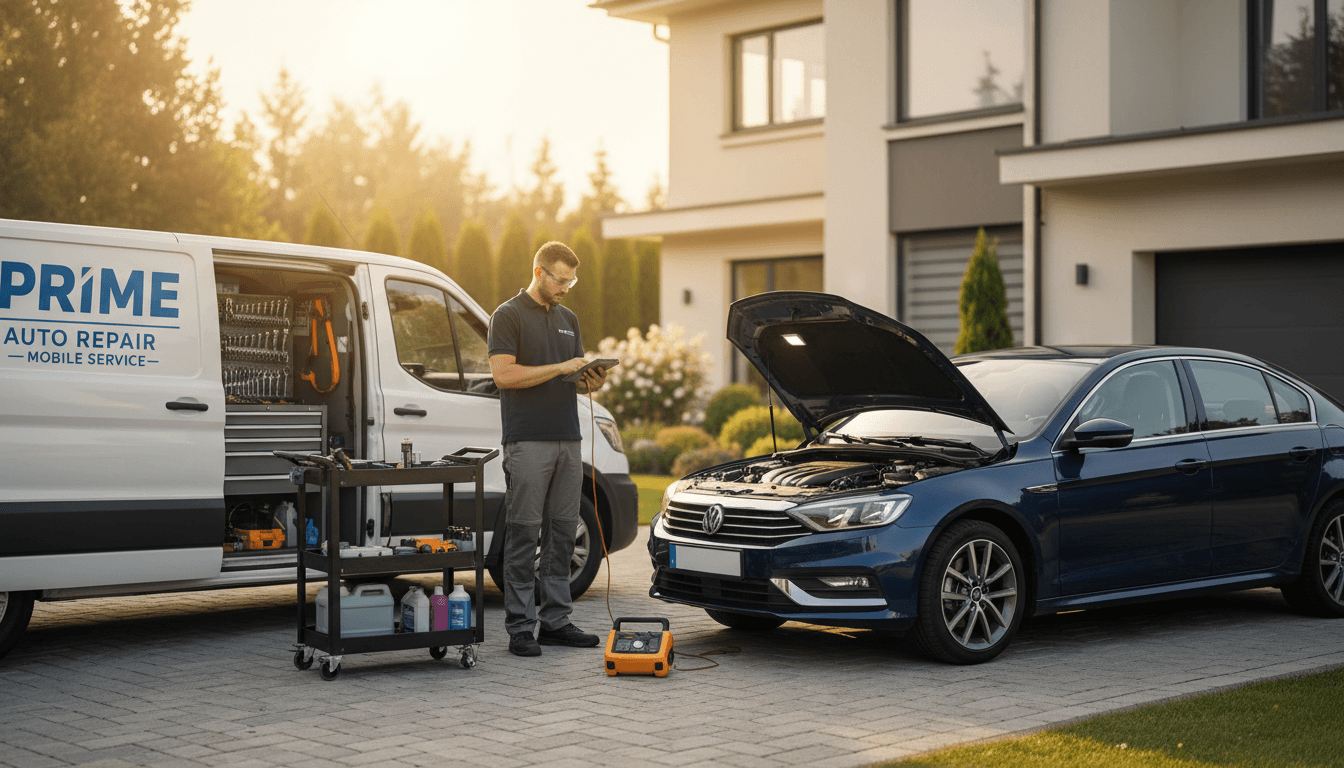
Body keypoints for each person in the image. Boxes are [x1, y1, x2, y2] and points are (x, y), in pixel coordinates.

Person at [487, 241, 608, 657]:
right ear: (539, 272)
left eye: (572, 281)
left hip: (567, 439)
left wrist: (590, 379)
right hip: (527, 441)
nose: (566, 288)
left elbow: (573, 378)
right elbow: (504, 376)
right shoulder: (507, 315)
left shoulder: (569, 319)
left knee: (561, 533)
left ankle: (555, 621)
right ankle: (520, 627)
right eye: (561, 279)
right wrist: (561, 367)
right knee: (523, 534)